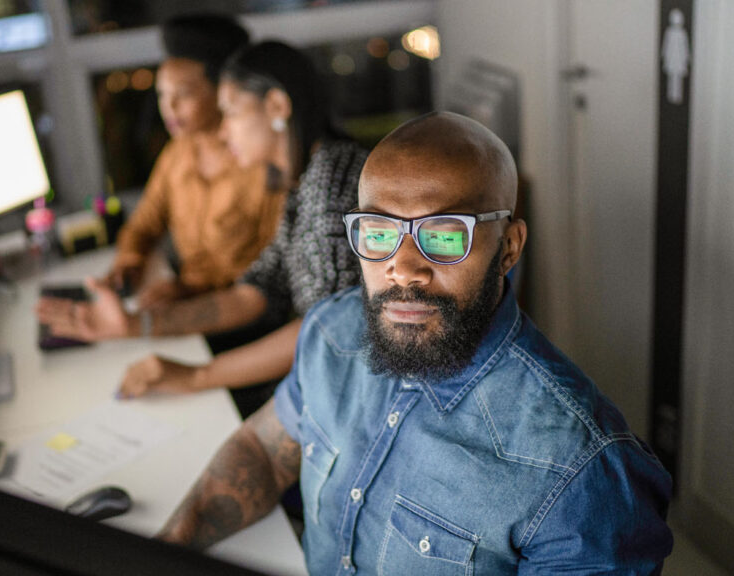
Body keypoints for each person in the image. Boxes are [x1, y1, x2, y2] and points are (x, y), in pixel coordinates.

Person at [154, 112, 674, 573]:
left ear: (509, 247)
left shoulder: (582, 468)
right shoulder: (331, 334)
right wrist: (164, 548)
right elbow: (264, 453)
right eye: (378, 233)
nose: (403, 267)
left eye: (445, 235)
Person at [38, 41, 369, 416]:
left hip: (344, 398)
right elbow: (256, 293)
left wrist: (196, 376)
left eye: (230, 113)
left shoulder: (333, 183)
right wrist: (135, 323)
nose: (224, 134)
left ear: (277, 106)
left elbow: (325, 334)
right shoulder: (301, 180)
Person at [105, 14, 285, 308]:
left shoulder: (260, 163)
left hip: (237, 314)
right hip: (182, 300)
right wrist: (130, 262)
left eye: (183, 94)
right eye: (162, 94)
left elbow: (269, 278)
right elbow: (143, 224)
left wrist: (187, 291)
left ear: (222, 92)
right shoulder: (177, 153)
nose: (169, 108)